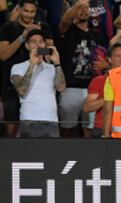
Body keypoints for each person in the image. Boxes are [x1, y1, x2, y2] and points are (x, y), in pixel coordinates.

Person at [0, 0, 53, 137]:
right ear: (19, 10)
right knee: (11, 125)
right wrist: (23, 38)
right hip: (13, 82)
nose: (29, 15)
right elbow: (3, 55)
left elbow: (51, 53)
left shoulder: (43, 27)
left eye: (32, 12)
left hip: (39, 82)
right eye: (26, 11)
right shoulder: (8, 28)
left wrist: (36, 43)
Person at [58, 0, 104, 138]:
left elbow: (105, 55)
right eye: (80, 8)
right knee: (66, 127)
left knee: (89, 128)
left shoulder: (96, 34)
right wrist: (78, 4)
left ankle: (89, 156)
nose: (84, 11)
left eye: (87, 8)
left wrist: (106, 65)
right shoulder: (68, 30)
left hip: (92, 88)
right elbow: (65, 21)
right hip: (70, 86)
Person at [10, 29, 65, 137]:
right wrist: (32, 65)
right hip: (28, 119)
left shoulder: (52, 68)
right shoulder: (18, 67)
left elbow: (61, 88)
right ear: (27, 46)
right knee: (28, 154)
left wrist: (57, 63)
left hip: (51, 120)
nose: (37, 44)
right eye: (33, 42)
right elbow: (22, 91)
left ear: (45, 45)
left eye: (41, 41)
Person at [83, 43, 121, 138]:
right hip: (102, 130)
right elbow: (88, 107)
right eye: (118, 56)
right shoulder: (98, 81)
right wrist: (110, 96)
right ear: (110, 59)